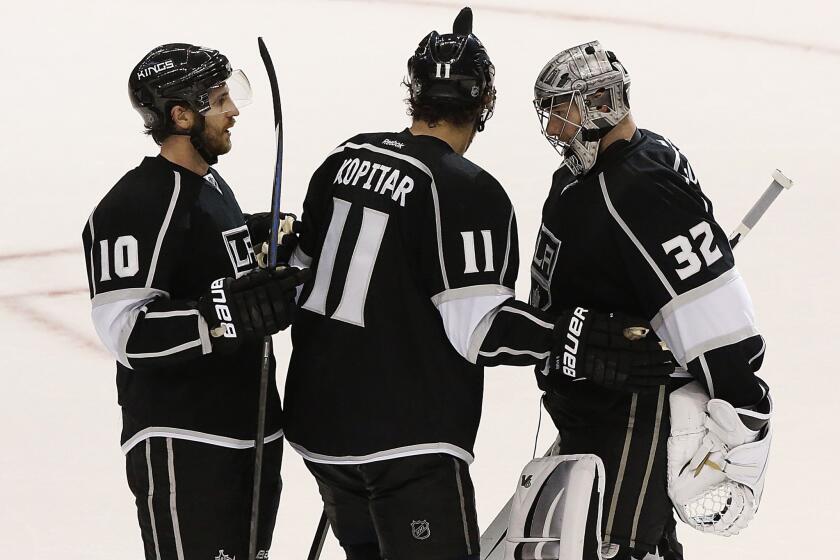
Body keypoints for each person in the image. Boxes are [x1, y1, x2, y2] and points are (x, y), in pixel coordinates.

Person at [282, 10, 673, 560]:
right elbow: (480, 328)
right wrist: (578, 340)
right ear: (485, 103)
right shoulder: (467, 191)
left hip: (317, 431)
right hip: (405, 444)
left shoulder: (343, 159)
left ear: (414, 92)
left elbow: (297, 273)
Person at [529, 41, 773, 559]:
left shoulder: (637, 187)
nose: (552, 129)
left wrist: (744, 410)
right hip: (592, 413)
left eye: (562, 109)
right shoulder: (588, 180)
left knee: (621, 549)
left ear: (601, 104)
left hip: (631, 418)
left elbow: (712, 313)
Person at [82, 43, 308, 560]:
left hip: (247, 433)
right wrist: (221, 313)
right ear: (180, 114)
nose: (232, 111)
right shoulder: (135, 204)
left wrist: (268, 243)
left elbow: (210, 266)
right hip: (186, 438)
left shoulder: (210, 186)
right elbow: (127, 331)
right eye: (219, 99)